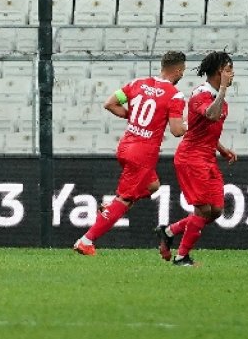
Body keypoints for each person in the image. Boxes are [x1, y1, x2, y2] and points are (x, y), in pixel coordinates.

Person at [74, 51, 187, 256]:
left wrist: (132, 117)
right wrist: (192, 127)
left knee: (153, 186)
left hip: (126, 145)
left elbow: (110, 103)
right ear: (178, 70)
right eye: (183, 71)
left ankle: (110, 205)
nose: (183, 75)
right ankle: (86, 240)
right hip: (143, 154)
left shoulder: (137, 83)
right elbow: (177, 130)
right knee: (125, 199)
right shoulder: (175, 95)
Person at [155, 51, 237, 266]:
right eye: (228, 69)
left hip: (208, 157)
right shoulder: (202, 93)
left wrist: (222, 148)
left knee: (216, 211)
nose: (232, 73)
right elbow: (210, 114)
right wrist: (222, 90)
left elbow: (206, 129)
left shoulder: (218, 97)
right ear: (218, 72)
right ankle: (182, 257)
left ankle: (170, 231)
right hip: (191, 157)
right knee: (202, 210)